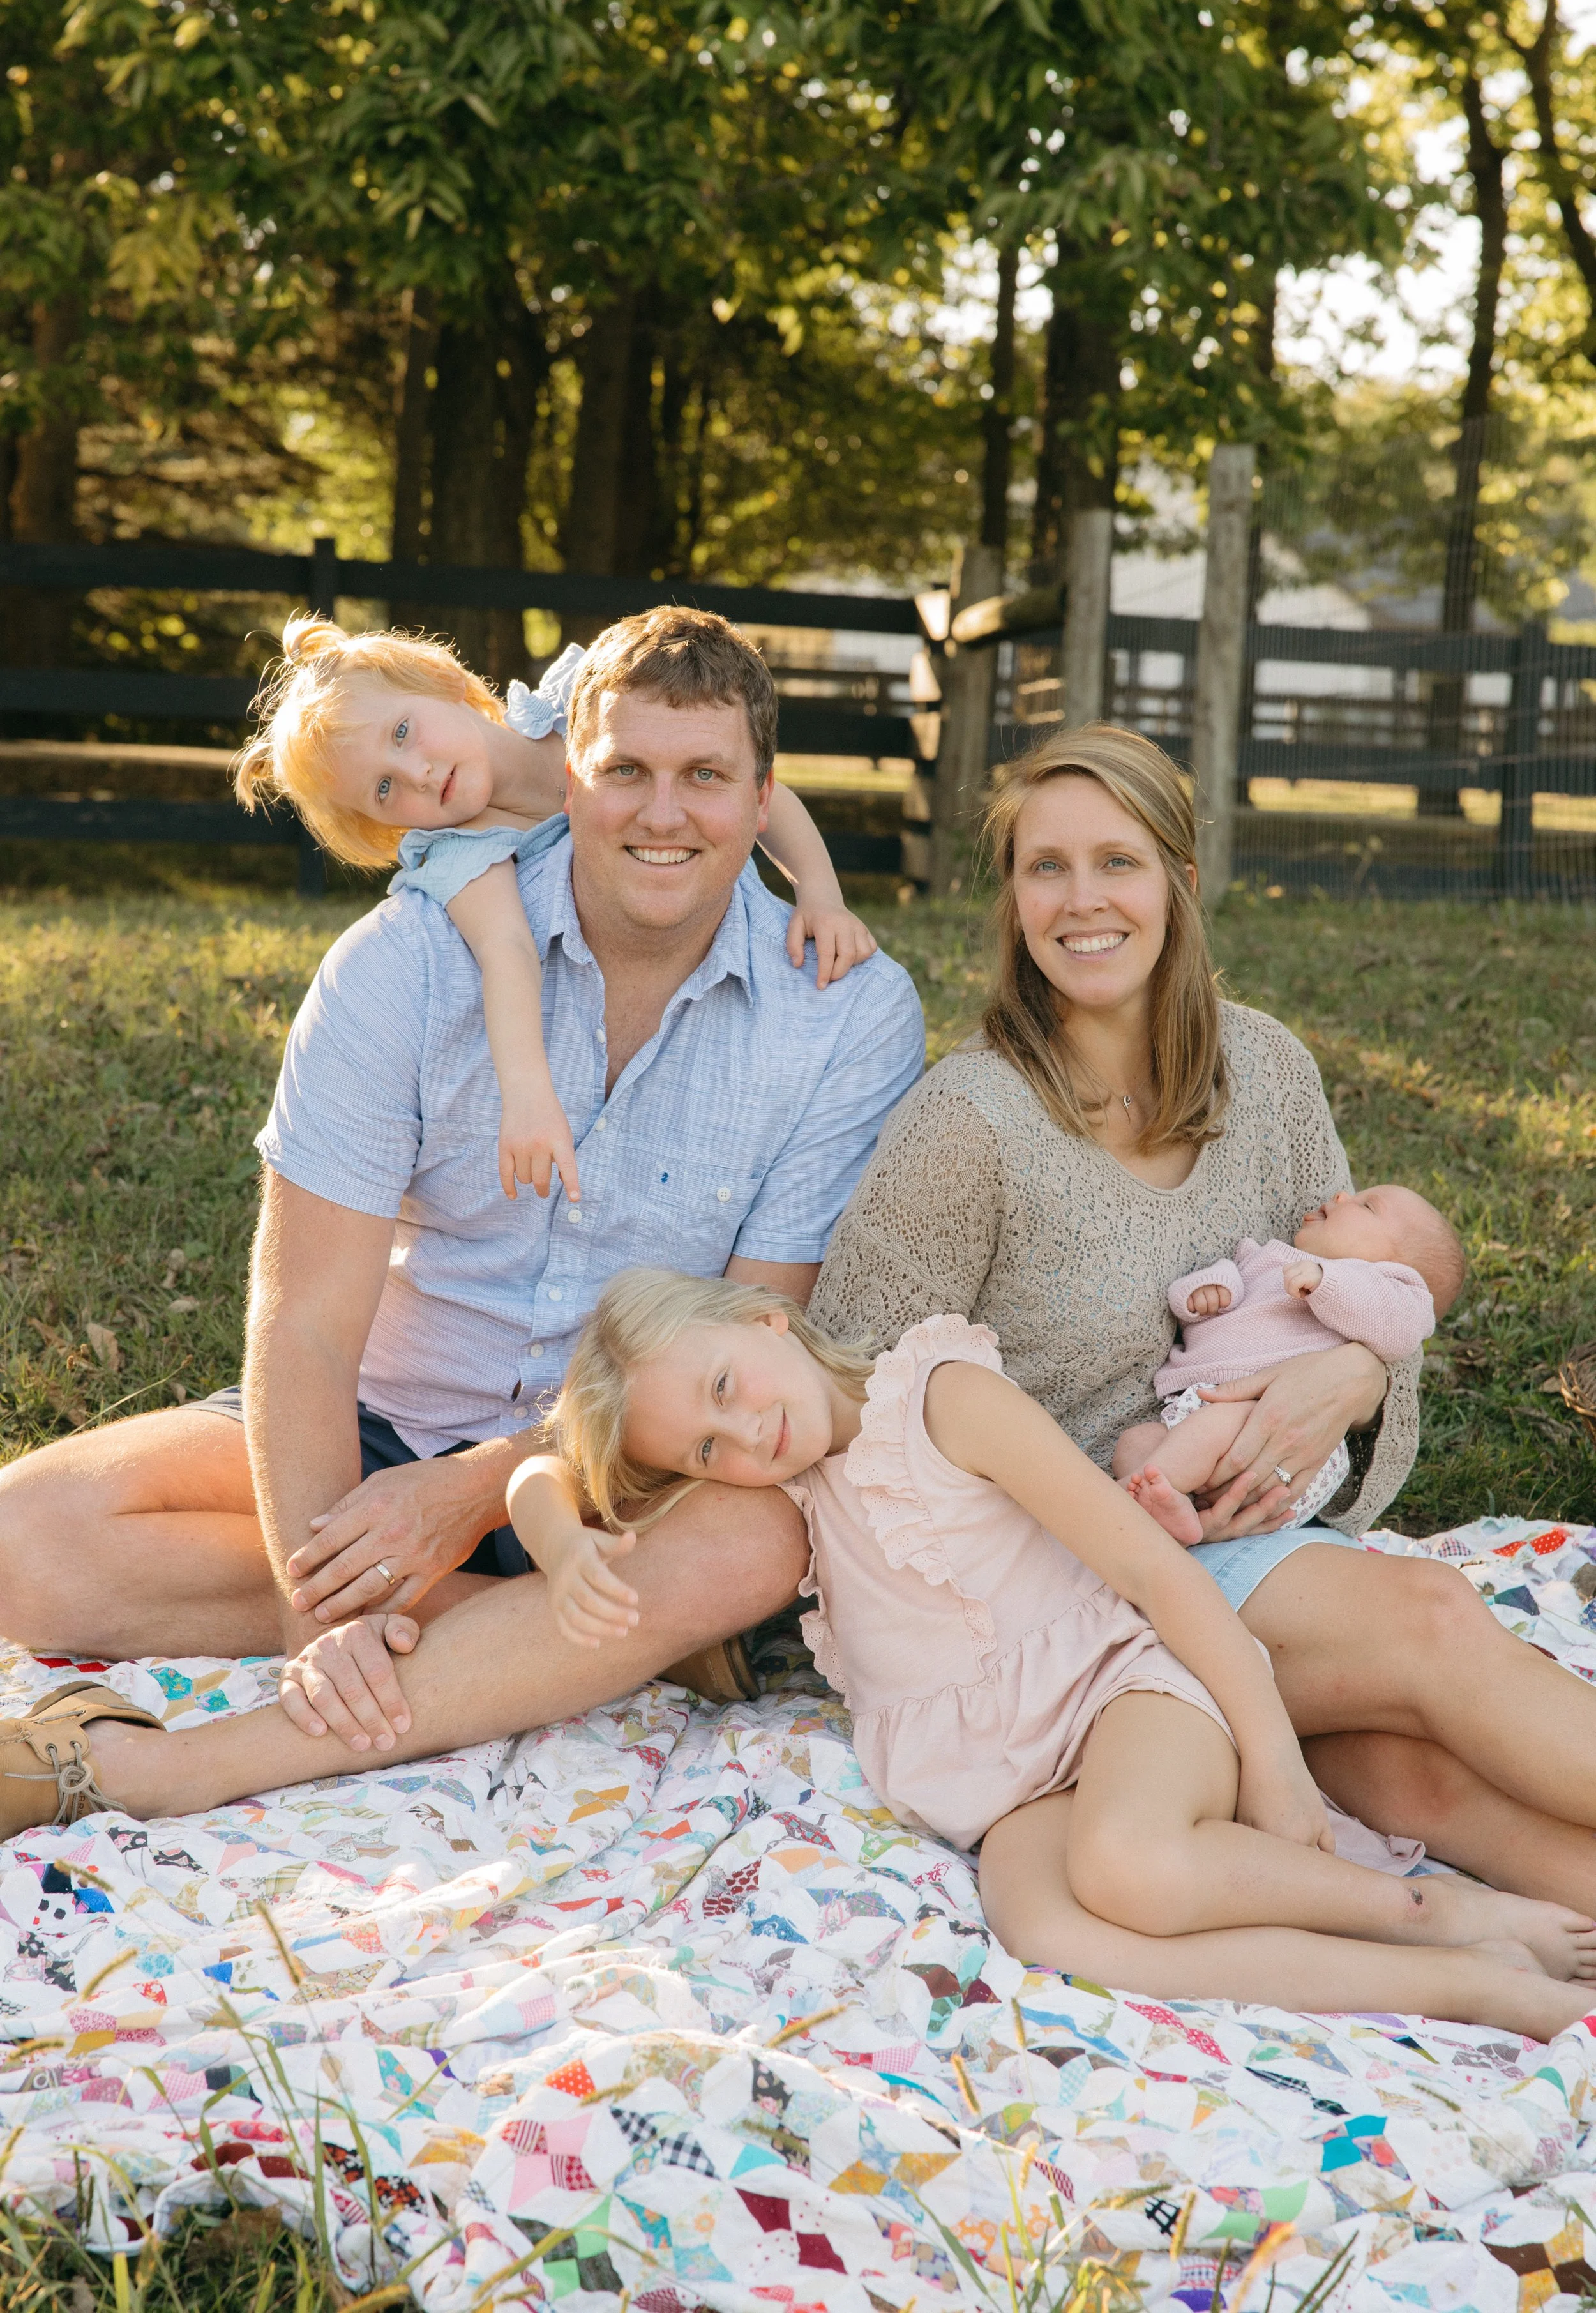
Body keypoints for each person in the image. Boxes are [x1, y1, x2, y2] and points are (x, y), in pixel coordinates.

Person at [8, 1268, 1595, 2044]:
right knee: (1060, 1925)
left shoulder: (936, 1392)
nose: (738, 1431)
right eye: (703, 1439)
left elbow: (1145, 1573)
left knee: (1136, 1857)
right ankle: (1466, 1985)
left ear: (766, 1320)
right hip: (991, 1770)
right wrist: (559, 1539)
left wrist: (1266, 1754)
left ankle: (1431, 1903)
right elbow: (539, 1475)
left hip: (1126, 1695)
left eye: (723, 1382)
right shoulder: (788, 1506)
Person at [0, 606, 924, 1733]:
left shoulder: (846, 1012)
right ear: (570, 779)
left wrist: (477, 1490)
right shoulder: (401, 965)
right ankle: (562, 1637)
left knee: (759, 1544)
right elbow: (305, 1326)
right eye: (625, 769)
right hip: (384, 1422)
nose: (664, 813)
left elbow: (761, 1331)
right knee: (22, 1540)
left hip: (642, 1463)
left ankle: (534, 1615)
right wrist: (317, 1600)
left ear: (763, 794)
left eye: (705, 776)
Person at [808, 724, 1596, 1917]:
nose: (1083, 902)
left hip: (1243, 1538)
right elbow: (852, 1390)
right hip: (1073, 1579)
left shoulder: (1267, 1072)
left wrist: (1361, 1380)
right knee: (1430, 1623)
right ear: (1013, 896)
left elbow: (1372, 1296)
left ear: (1178, 879)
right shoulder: (968, 1123)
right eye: (1046, 867)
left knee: (1413, 1779)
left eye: (1117, 862)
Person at [234, 619, 877, 1203]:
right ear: (379, 825)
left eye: (402, 733)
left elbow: (754, 787)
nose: (418, 774)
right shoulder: (464, 855)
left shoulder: (577, 703)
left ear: (441, 682)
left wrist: (819, 894)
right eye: (384, 788)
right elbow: (507, 953)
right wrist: (528, 1096)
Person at [1115, 1183, 1460, 1545]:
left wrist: (1327, 1282)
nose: (1343, 1196)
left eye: (1367, 1206)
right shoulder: (1267, 1257)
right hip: (1198, 1410)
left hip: (1286, 1431)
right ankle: (1172, 1508)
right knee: (1136, 1441)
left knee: (1206, 1432)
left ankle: (1118, 1508)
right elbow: (1224, 1292)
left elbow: (1398, 1332)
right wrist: (1210, 1288)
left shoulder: (1391, 1292)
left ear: (1397, 1266)